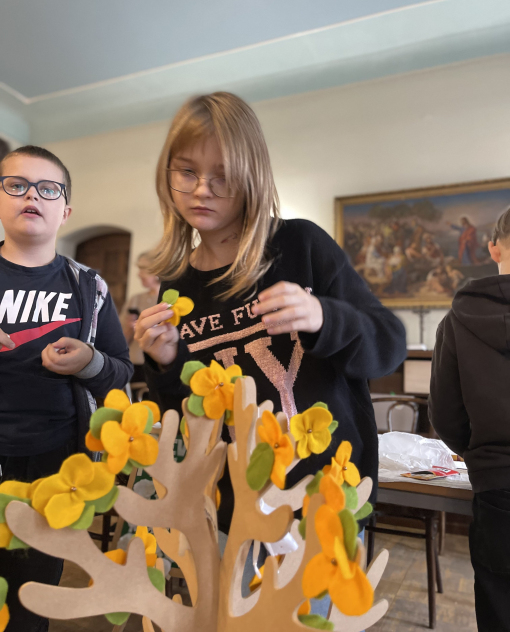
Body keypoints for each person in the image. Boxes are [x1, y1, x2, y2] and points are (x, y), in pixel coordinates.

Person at [134, 91, 406, 533]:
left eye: (223, 175)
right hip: (231, 508)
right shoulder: (176, 285)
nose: (202, 189)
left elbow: (389, 345)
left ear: (252, 177)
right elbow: (189, 416)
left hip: (326, 500)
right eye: (187, 172)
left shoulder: (301, 245)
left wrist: (323, 317)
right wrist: (166, 363)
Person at [0, 145, 132, 632]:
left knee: (34, 594)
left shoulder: (89, 286)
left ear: (65, 211)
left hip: (58, 463)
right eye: (16, 185)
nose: (31, 195)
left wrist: (88, 362)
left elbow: (121, 370)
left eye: (47, 189)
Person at [429, 206, 510, 631]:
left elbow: (446, 416)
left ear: (493, 248)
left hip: (498, 486)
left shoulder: (458, 320)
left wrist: (480, 455)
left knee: (500, 608)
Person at [119, 251, 159, 384]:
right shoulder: (135, 299)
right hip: (135, 365)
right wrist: (129, 328)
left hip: (160, 365)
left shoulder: (170, 300)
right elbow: (120, 342)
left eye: (142, 269)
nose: (138, 274)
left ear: (157, 270)